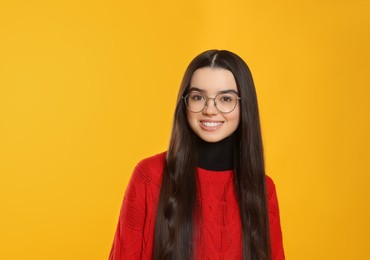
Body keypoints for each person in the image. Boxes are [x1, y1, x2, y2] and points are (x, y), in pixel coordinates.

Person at [109, 50, 285, 260]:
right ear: (185, 104)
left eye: (226, 98)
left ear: (244, 105)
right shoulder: (149, 176)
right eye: (198, 97)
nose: (210, 109)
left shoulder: (263, 188)